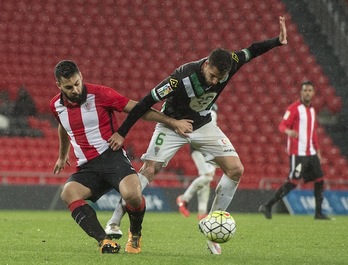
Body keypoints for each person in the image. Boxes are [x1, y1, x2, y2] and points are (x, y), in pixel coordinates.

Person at [105, 16, 288, 254]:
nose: (215, 81)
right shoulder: (179, 78)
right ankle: (115, 220)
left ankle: (213, 227)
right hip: (171, 125)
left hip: (202, 123)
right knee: (150, 169)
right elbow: (145, 103)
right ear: (206, 64)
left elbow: (252, 50)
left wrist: (277, 41)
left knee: (236, 169)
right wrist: (121, 132)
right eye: (212, 75)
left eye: (219, 78)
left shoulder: (231, 62)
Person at [50, 60, 193, 254]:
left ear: (81, 76)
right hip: (87, 167)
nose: (75, 89)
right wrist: (62, 155)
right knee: (68, 193)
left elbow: (138, 109)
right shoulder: (55, 106)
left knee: (132, 195)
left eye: (77, 83)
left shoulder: (101, 94)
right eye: (68, 87)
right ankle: (104, 241)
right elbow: (62, 126)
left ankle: (135, 234)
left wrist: (172, 122)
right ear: (59, 86)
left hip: (112, 158)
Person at [259, 81, 330, 220]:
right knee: (293, 181)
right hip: (298, 153)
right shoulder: (294, 108)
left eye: (310, 90)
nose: (307, 93)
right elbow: (282, 125)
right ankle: (267, 206)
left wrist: (318, 151)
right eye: (305, 90)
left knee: (320, 179)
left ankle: (318, 213)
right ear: (301, 92)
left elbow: (313, 133)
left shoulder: (312, 110)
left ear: (313, 93)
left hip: (311, 153)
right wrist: (288, 131)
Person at [176, 104, 218, 220]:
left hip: (200, 147)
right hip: (203, 148)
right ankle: (184, 198)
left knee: (205, 180)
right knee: (207, 177)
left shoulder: (198, 113)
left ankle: (202, 211)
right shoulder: (212, 114)